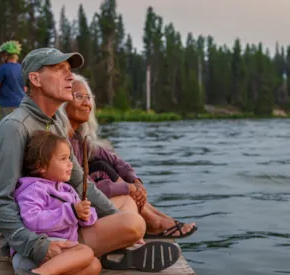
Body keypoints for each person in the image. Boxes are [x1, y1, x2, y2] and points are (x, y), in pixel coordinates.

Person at [0, 47, 182, 275]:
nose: (70, 77)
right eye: (59, 70)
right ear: (35, 79)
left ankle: (52, 273)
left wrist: (113, 219)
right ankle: (30, 270)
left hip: (64, 219)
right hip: (38, 235)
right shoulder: (14, 129)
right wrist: (35, 246)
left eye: (70, 71)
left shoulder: (55, 119)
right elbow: (1, 201)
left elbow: (79, 181)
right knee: (134, 224)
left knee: (117, 226)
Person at [59, 73, 198, 239]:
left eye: (88, 97)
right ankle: (153, 223)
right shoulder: (61, 143)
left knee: (103, 165)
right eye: (79, 96)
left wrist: (135, 181)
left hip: (88, 199)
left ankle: (158, 219)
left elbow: (116, 161)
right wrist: (128, 188)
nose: (86, 103)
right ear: (63, 102)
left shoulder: (79, 139)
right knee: (124, 194)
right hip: (72, 209)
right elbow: (79, 189)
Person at [12, 130, 100, 275]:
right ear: (41, 166)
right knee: (86, 252)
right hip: (36, 251)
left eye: (70, 158)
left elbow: (86, 218)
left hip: (58, 254)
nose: (70, 164)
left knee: (94, 266)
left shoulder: (67, 190)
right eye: (63, 159)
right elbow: (32, 219)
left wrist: (85, 214)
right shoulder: (34, 189)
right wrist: (72, 212)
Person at [0, 40, 26, 117]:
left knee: (8, 127)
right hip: (21, 105)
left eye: (3, 55)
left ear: (7, 55)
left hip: (7, 105)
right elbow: (25, 88)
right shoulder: (22, 68)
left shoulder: (3, 68)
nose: (1, 58)